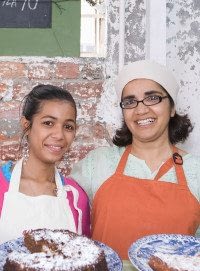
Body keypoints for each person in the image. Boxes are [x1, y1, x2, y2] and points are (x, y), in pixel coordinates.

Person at [71, 60, 200, 259]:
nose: (140, 110)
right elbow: (60, 207)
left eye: (153, 98)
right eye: (130, 102)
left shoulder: (196, 171)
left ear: (172, 108)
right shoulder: (97, 163)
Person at [0, 84, 90, 244]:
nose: (59, 135)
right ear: (26, 126)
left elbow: (83, 260)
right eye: (48, 123)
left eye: (68, 127)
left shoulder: (76, 197)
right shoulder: (1, 186)